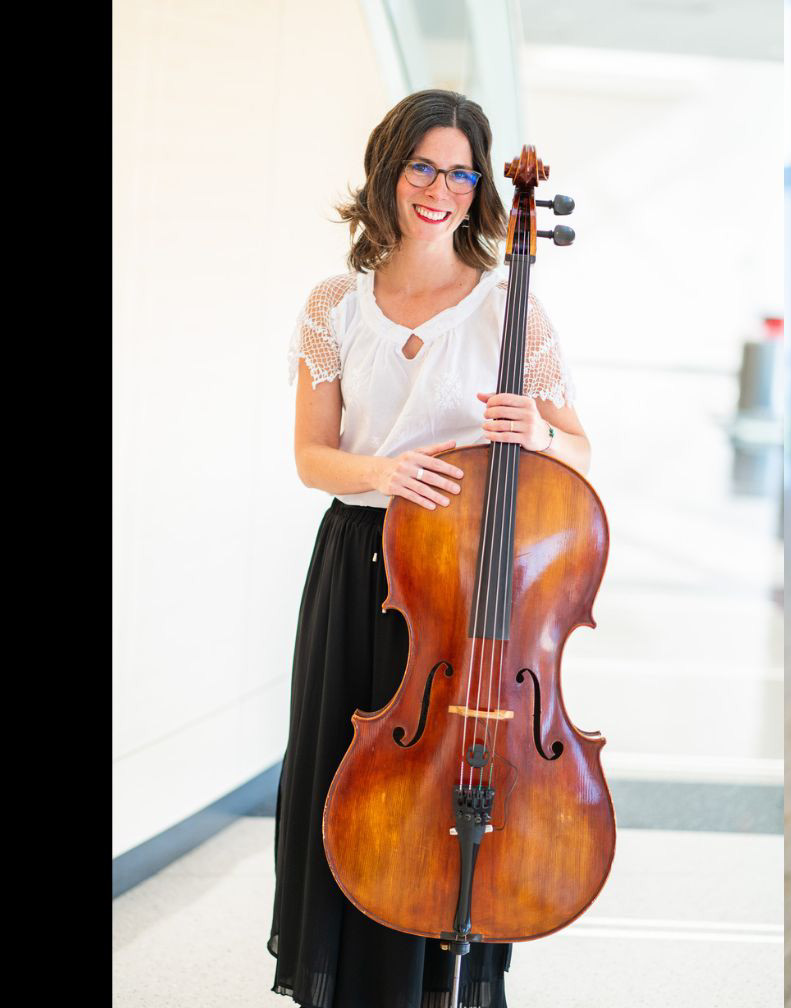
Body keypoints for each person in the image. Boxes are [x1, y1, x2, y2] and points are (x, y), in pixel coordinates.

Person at [272, 88, 590, 1008]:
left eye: (460, 171)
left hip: (463, 588)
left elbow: (580, 451)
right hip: (360, 565)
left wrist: (535, 431)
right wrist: (384, 471)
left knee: (448, 793)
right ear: (390, 170)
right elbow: (310, 457)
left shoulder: (509, 311)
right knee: (350, 778)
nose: (440, 188)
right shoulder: (334, 303)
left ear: (480, 187)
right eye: (424, 166)